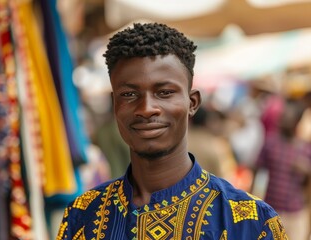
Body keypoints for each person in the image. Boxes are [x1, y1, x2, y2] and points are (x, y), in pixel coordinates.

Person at [57, 22, 288, 239]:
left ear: (192, 103)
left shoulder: (252, 223)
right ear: (114, 104)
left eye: (165, 92)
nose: (146, 109)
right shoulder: (83, 215)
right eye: (129, 94)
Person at [255, 98, 311, 240]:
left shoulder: (305, 149)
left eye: (288, 117)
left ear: (296, 122)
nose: (282, 120)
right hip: (271, 211)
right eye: (283, 116)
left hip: (295, 214)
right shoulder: (271, 143)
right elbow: (256, 171)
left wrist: (307, 171)